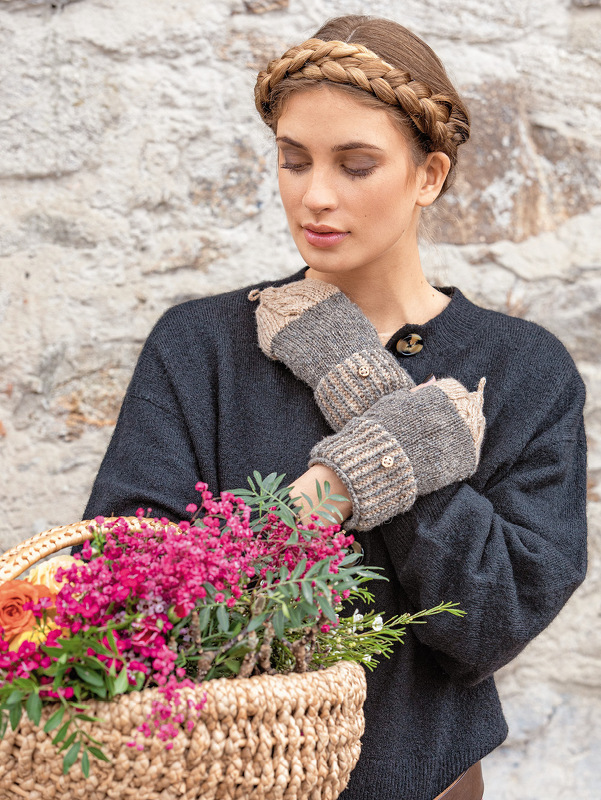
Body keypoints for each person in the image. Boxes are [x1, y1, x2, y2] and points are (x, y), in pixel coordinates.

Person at [83, 14, 587, 800]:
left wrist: (366, 396)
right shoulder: (201, 346)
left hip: (425, 784)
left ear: (428, 175)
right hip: (221, 782)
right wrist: (335, 489)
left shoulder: (520, 370)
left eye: (356, 165)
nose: (314, 195)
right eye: (293, 160)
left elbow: (491, 622)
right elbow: (125, 599)